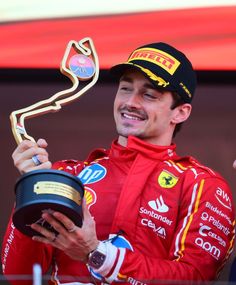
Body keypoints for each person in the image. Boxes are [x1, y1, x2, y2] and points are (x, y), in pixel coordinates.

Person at [1, 42, 235, 285]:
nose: (131, 102)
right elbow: (20, 276)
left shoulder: (201, 185)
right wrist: (32, 191)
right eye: (125, 88)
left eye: (149, 94)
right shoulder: (67, 176)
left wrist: (97, 253)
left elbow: (196, 277)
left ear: (181, 112)